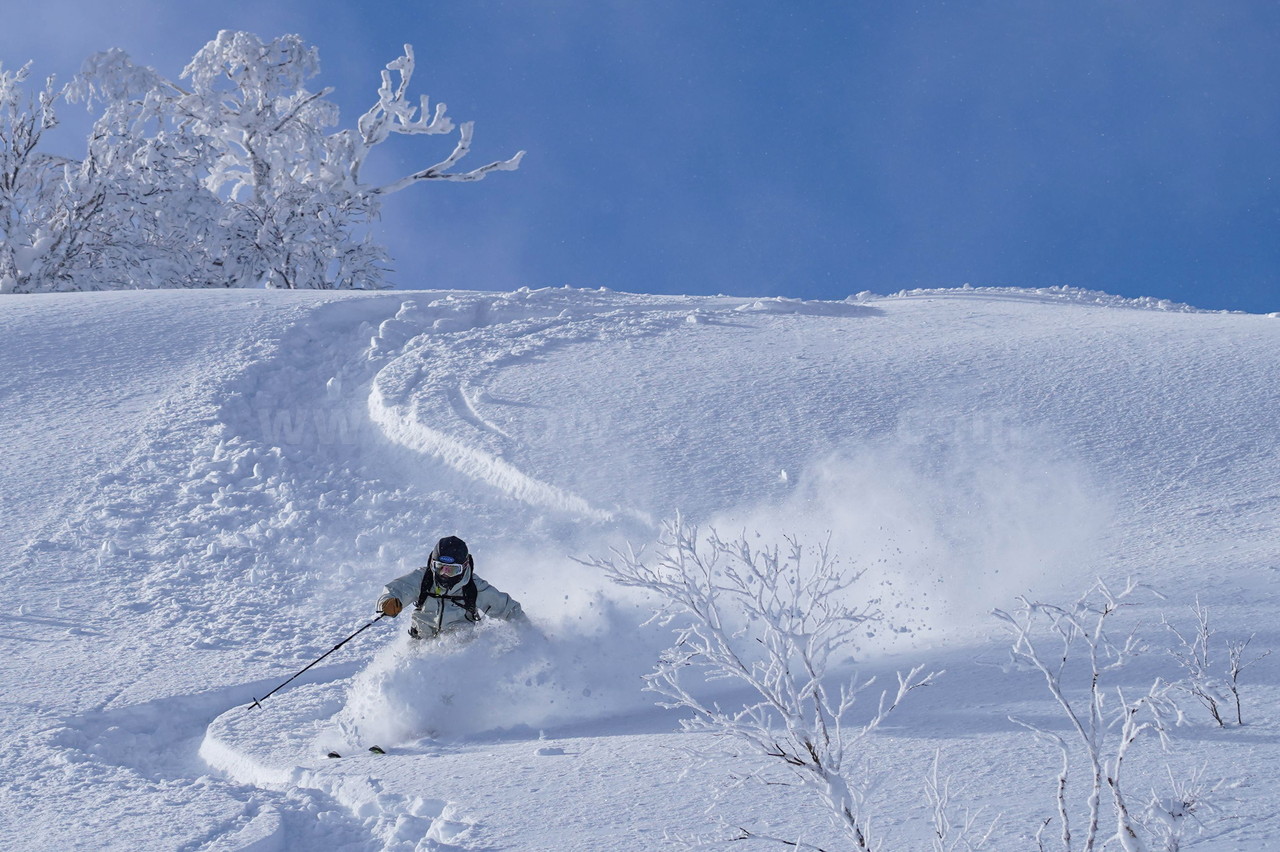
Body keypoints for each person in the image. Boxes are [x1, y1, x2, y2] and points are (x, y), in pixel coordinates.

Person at [377, 536, 525, 639]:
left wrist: (529, 634)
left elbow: (508, 609)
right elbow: (396, 590)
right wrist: (387, 602)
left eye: (452, 570)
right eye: (440, 567)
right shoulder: (424, 579)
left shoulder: (473, 587)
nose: (445, 574)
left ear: (464, 567)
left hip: (459, 646)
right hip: (422, 639)